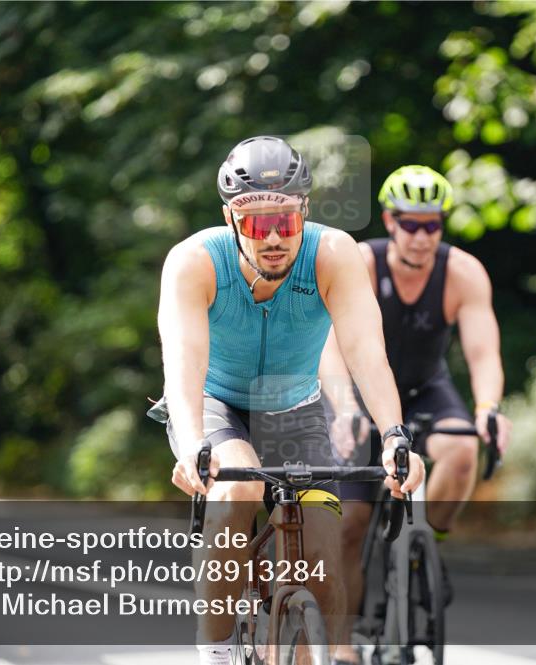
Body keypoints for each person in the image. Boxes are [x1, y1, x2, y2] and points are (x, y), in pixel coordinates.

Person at [151, 136, 426, 665]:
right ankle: (216, 652)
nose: (274, 237)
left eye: (288, 220)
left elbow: (367, 351)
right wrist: (191, 447)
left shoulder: (333, 254)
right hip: (215, 402)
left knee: (323, 556)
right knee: (239, 491)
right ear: (230, 218)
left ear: (305, 211)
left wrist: (394, 435)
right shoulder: (194, 262)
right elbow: (183, 364)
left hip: (295, 408)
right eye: (258, 224)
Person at [319, 165, 512, 663]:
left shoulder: (463, 273)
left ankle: (425, 540)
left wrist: (489, 408)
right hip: (359, 393)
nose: (422, 236)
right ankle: (343, 644)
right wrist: (344, 409)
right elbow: (329, 346)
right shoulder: (359, 263)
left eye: (433, 225)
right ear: (389, 221)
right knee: (350, 522)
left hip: (427, 388)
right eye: (411, 223)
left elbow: (484, 353)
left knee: (463, 448)